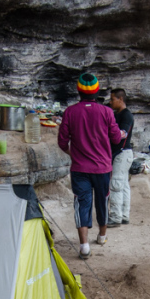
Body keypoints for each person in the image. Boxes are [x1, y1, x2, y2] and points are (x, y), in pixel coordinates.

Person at [58, 72, 125, 259]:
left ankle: (84, 246)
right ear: (96, 91)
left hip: (80, 168)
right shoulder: (107, 112)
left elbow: (62, 142)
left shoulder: (70, 112)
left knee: (82, 203)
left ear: (79, 91)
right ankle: (102, 236)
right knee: (102, 201)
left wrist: (74, 154)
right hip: (103, 167)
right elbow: (115, 138)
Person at [108, 89, 135, 227]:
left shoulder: (126, 115)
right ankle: (124, 215)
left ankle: (115, 217)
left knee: (116, 185)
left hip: (122, 153)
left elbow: (122, 134)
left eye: (112, 99)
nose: (110, 102)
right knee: (123, 185)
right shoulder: (116, 114)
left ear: (120, 99)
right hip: (123, 153)